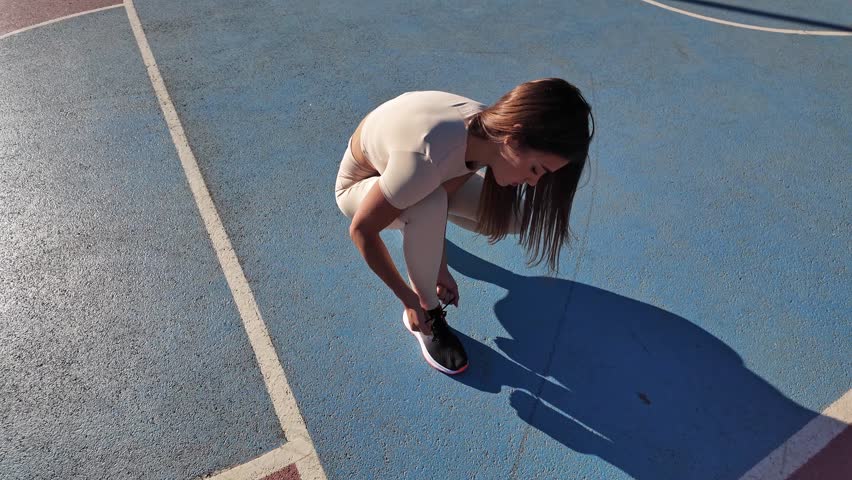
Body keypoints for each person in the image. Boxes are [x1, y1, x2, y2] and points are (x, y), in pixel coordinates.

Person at [334, 78, 594, 375]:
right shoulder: (425, 160)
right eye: (536, 169)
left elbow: (444, 192)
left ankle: (415, 229)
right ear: (514, 139)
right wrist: (409, 300)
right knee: (425, 204)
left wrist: (438, 265)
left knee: (514, 216)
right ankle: (427, 316)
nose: (534, 182)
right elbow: (362, 230)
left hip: (411, 168)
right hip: (361, 182)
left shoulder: (487, 135)